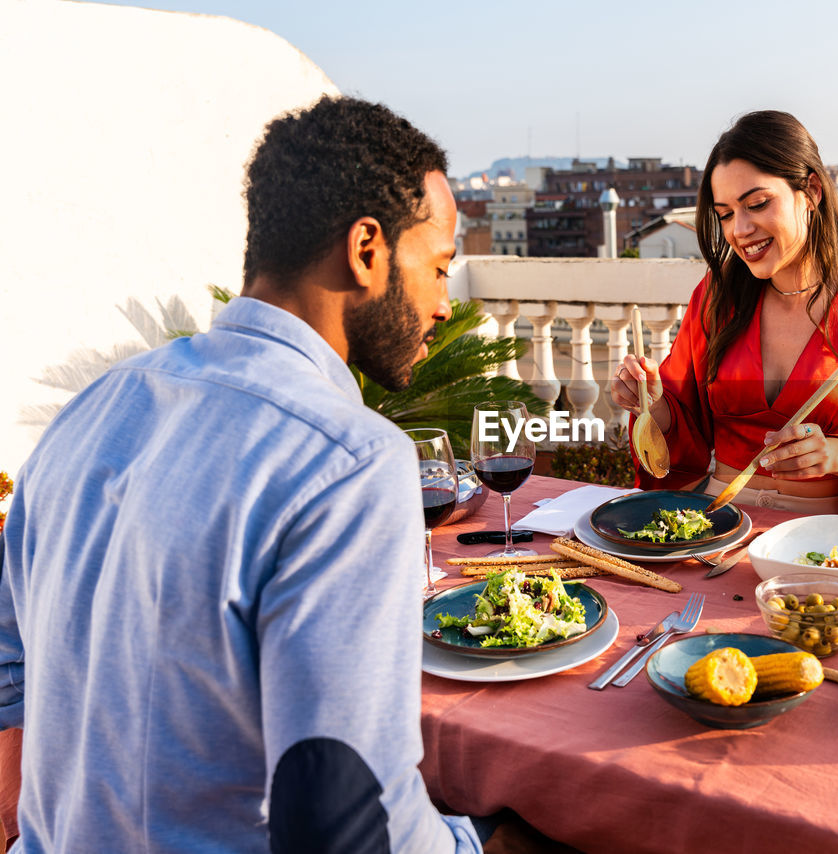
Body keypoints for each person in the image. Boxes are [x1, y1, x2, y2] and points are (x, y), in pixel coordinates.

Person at [0, 96, 482, 852]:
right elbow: (344, 823)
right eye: (440, 267)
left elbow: (8, 649)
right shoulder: (348, 462)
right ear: (367, 249)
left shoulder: (91, 410)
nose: (444, 305)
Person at [611, 111, 838, 525]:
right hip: (716, 520)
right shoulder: (716, 298)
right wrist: (650, 403)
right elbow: (681, 437)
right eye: (726, 214)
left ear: (812, 191)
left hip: (824, 537)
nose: (740, 230)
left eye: (756, 204)